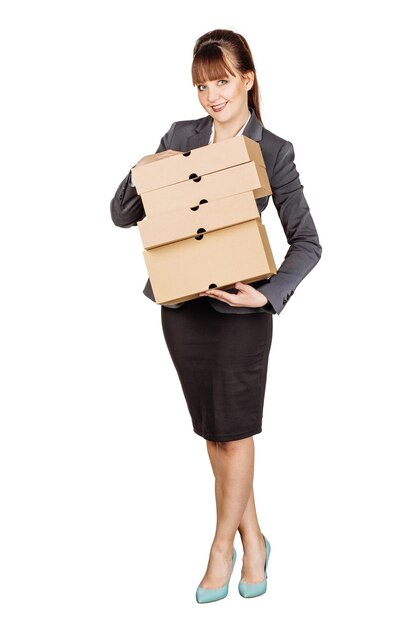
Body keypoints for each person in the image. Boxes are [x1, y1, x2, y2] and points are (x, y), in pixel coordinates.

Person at [110, 29, 322, 603]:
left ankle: (221, 548)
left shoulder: (272, 150)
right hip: (183, 310)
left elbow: (307, 243)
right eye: (202, 85)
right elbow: (121, 215)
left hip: (241, 315)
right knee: (214, 433)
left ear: (247, 79)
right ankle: (255, 540)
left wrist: (269, 294)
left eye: (222, 81)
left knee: (236, 432)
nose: (212, 95)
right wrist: (144, 170)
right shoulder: (179, 136)